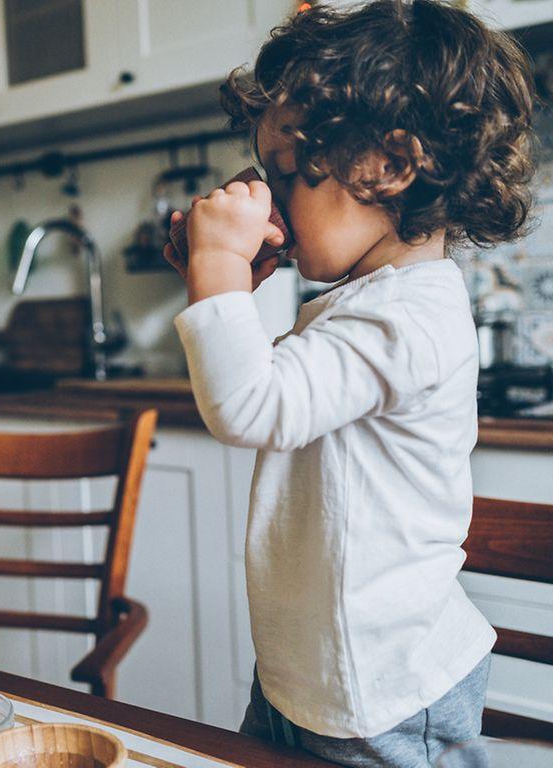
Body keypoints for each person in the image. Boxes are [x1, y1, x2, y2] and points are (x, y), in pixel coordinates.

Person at [165, 2, 534, 765]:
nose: (272, 199)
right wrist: (222, 282)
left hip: (381, 692)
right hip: (314, 674)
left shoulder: (410, 315)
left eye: (290, 176)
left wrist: (220, 269)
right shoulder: (365, 304)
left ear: (391, 166)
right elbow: (280, 389)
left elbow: (249, 404)